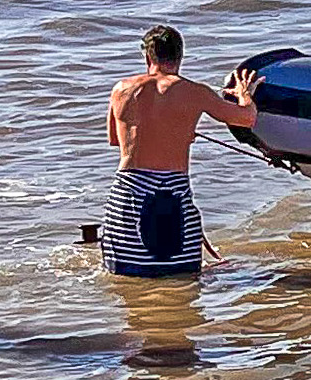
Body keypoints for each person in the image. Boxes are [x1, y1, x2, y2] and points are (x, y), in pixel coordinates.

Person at [102, 25, 257, 279]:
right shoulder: (195, 92)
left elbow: (114, 140)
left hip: (128, 194)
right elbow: (247, 119)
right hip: (173, 192)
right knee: (182, 280)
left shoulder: (121, 90)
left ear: (148, 57)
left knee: (126, 281)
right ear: (180, 57)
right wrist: (244, 95)